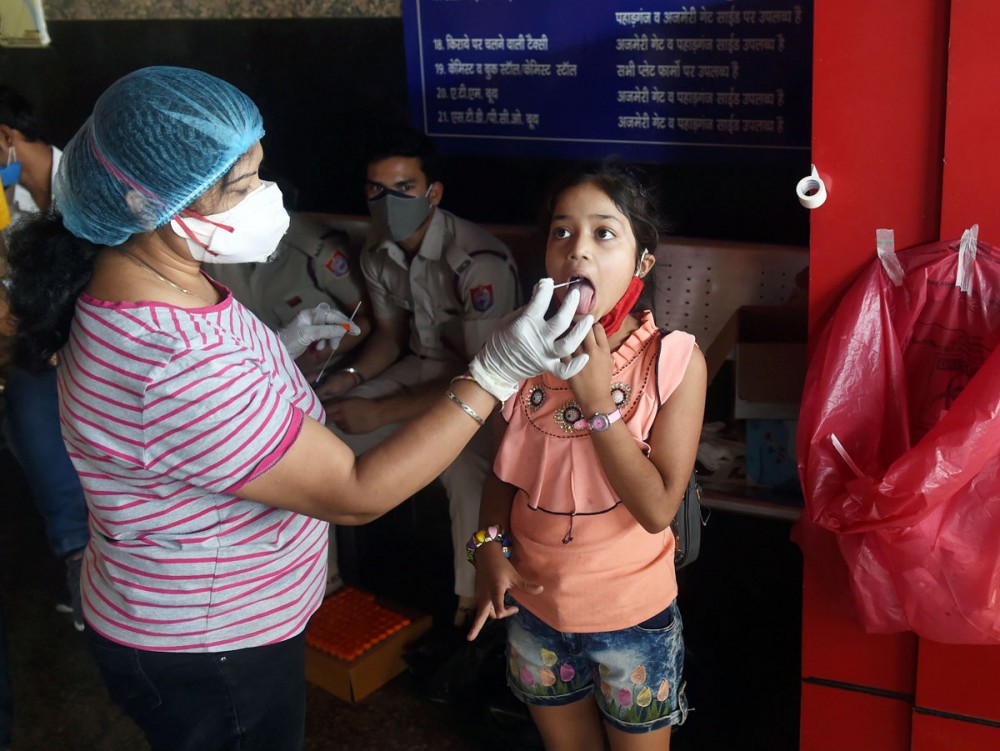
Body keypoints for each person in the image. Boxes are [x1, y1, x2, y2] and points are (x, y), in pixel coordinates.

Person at [3, 66, 591, 751]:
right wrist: (497, 370)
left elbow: (205, 414)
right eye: (242, 185)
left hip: (202, 613)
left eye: (260, 173)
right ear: (142, 202)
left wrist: (275, 360)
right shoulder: (171, 359)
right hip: (210, 647)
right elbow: (355, 490)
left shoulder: (156, 283)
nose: (266, 197)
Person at [466, 162, 707, 750]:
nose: (578, 251)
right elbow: (504, 473)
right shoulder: (522, 350)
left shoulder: (672, 361)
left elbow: (656, 509)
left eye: (604, 233)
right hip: (535, 608)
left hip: (633, 618)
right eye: (561, 232)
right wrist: (487, 550)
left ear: (642, 263)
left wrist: (598, 401)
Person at [317, 127, 521, 625]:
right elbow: (389, 336)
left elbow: (484, 378)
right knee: (317, 433)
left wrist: (381, 412)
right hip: (420, 366)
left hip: (483, 389)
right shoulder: (377, 250)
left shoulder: (477, 260)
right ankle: (322, 587)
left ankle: (473, 608)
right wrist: (344, 379)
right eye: (376, 190)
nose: (388, 202)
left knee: (470, 473)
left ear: (433, 193)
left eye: (403, 189)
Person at [0, 84, 89, 632]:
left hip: (97, 334)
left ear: (6, 138)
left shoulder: (82, 185)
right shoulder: (9, 199)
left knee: (31, 400)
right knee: (25, 402)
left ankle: (82, 554)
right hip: (40, 344)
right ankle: (79, 559)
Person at [203, 211, 373, 384]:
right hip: (248, 369)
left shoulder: (313, 248)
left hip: (324, 367)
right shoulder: (210, 247)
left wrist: (317, 359)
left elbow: (367, 318)